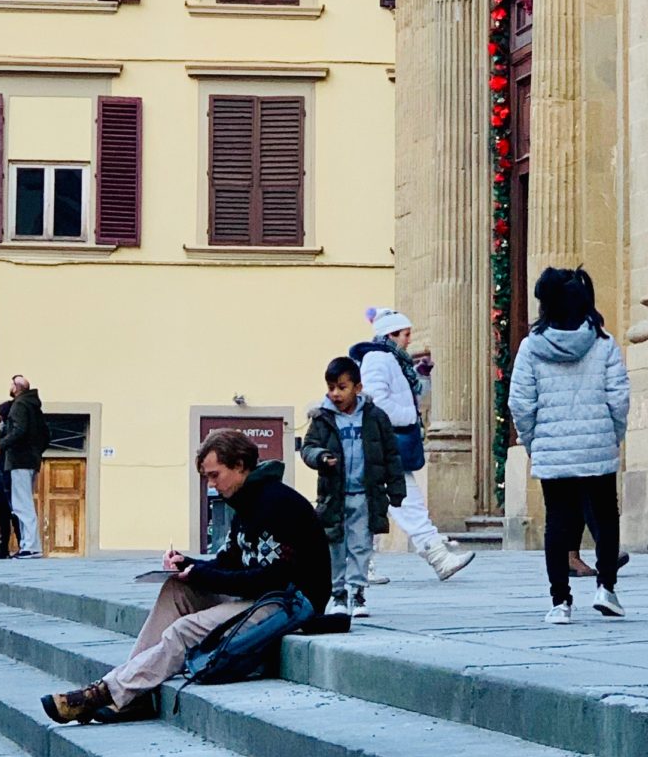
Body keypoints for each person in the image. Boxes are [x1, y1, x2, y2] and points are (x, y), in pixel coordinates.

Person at [41, 429, 331, 725]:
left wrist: (203, 574)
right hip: (261, 596)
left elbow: (271, 579)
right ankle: (132, 694)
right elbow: (229, 562)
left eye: (215, 475)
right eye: (207, 477)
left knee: (184, 630)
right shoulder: (245, 504)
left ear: (241, 465)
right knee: (175, 590)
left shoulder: (277, 503)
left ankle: (103, 693)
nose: (211, 484)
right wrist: (187, 565)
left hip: (289, 604)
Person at [507, 266, 631, 624]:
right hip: (597, 447)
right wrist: (613, 435)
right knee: (606, 519)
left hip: (552, 449)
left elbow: (521, 403)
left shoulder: (531, 348)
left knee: (558, 523)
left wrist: (532, 441)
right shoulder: (604, 342)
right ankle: (606, 588)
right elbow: (619, 398)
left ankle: (560, 601)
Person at [350, 308, 475, 581]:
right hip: (385, 443)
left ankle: (361, 564)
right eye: (405, 334)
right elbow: (377, 401)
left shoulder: (392, 360)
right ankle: (437, 557)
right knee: (405, 500)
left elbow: (408, 396)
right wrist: (409, 418)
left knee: (375, 504)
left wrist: (422, 377)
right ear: (391, 334)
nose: (409, 340)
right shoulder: (378, 359)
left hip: (385, 444)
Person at [301, 356, 406, 618]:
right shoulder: (322, 419)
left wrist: (396, 490)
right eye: (331, 387)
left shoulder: (375, 418)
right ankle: (337, 594)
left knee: (361, 545)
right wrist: (322, 457)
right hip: (333, 495)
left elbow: (391, 455)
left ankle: (357, 592)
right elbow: (308, 448)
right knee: (335, 545)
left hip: (364, 495)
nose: (335, 394)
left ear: (358, 388)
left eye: (341, 387)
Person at [0, 375, 47, 559]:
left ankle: (30, 546)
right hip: (30, 460)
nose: (10, 386)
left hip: (19, 460)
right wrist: (36, 452)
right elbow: (47, 434)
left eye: (12, 383)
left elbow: (18, 430)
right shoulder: (34, 406)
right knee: (24, 502)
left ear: (16, 387)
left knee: (22, 504)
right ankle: (28, 545)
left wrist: (1, 446)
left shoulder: (19, 405)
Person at [0, 399, 21, 559]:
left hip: (6, 475)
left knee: (13, 511)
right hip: (2, 475)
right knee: (4, 512)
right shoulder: (5, 430)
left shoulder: (8, 431)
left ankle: (18, 545)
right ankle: (4, 548)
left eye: (0, 416)